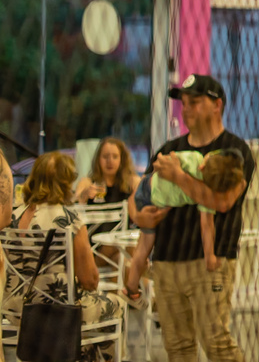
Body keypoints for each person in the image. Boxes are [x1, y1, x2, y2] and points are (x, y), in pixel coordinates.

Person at [131, 74, 255, 362]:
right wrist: (139, 216)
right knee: (178, 349)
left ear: (217, 105)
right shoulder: (168, 149)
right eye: (183, 103)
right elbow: (138, 194)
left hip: (211, 263)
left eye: (195, 103)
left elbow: (222, 203)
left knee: (217, 345)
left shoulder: (235, 153)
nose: (186, 110)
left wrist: (178, 176)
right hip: (165, 263)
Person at [4, 153, 121, 361]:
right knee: (116, 304)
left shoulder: (10, 216)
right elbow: (89, 281)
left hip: (14, 310)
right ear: (65, 182)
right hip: (56, 313)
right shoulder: (69, 220)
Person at [120, 148, 246, 309]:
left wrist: (209, 257)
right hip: (149, 194)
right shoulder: (204, 188)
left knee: (145, 247)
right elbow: (207, 225)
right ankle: (131, 289)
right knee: (145, 246)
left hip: (150, 195)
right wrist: (210, 257)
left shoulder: (194, 160)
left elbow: (167, 160)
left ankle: (135, 286)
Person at [75, 136, 141, 274]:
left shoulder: (131, 182)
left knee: (125, 263)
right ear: (98, 159)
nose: (110, 161)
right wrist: (84, 195)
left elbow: (141, 215)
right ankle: (147, 293)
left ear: (122, 160)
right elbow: (73, 210)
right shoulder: (88, 183)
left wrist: (137, 190)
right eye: (105, 156)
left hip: (121, 251)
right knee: (131, 252)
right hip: (95, 251)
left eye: (115, 156)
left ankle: (121, 295)